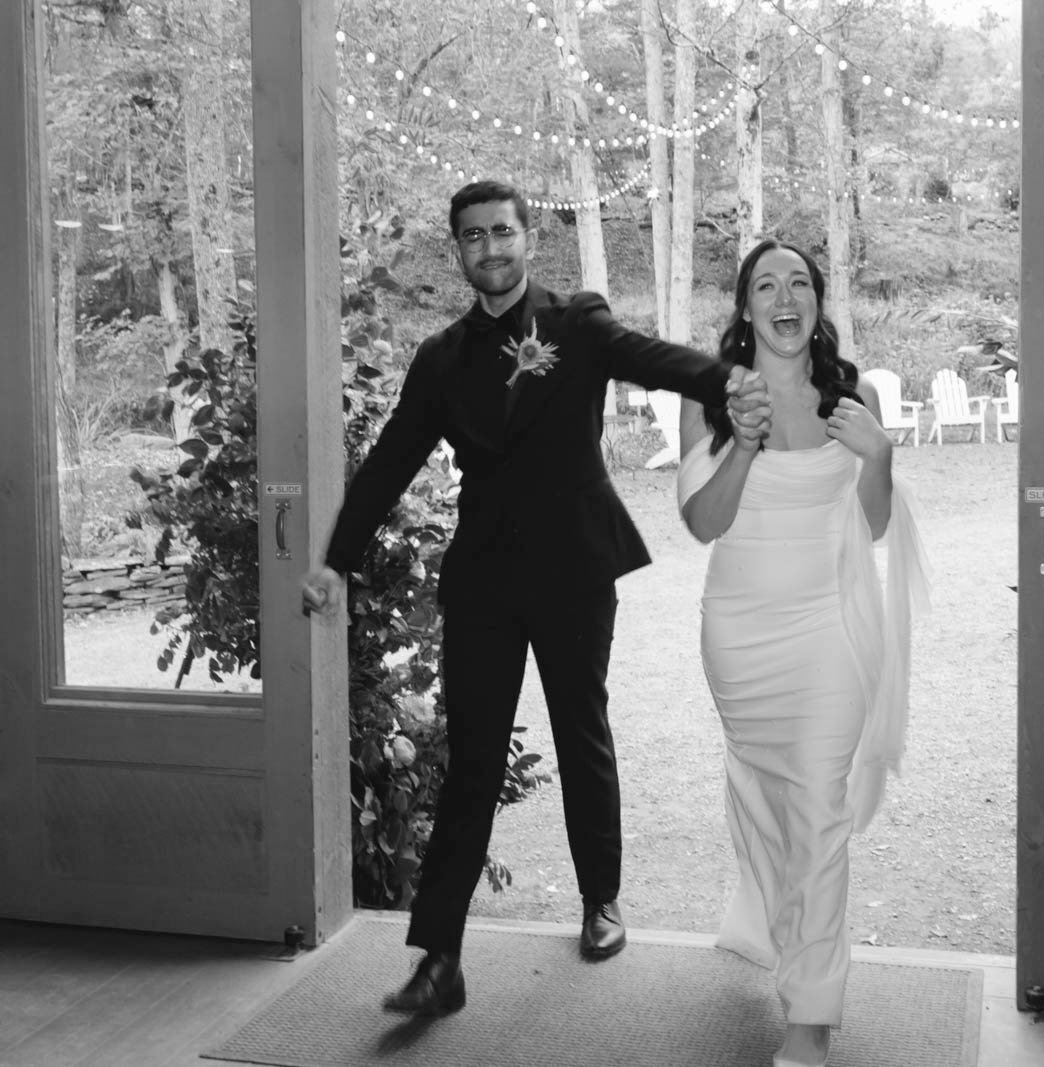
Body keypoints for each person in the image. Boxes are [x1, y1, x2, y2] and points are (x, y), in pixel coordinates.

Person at [301, 180, 768, 1017]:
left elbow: (649, 357)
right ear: (459, 251)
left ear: (528, 240)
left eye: (504, 231)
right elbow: (388, 463)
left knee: (579, 726)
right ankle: (438, 958)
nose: (492, 248)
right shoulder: (440, 359)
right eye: (474, 236)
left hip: (574, 563)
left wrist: (725, 377)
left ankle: (601, 900)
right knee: (472, 758)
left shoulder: (575, 322)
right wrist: (337, 558)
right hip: (483, 575)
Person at [676, 240, 929, 1067]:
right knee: (768, 803)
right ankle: (783, 933)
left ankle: (811, 1015)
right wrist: (743, 444)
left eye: (799, 285)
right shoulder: (710, 398)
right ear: (744, 308)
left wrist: (879, 455)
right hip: (742, 637)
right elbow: (703, 522)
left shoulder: (844, 397)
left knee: (819, 812)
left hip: (829, 631)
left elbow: (877, 524)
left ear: (817, 303)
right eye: (765, 285)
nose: (784, 298)